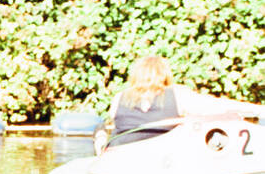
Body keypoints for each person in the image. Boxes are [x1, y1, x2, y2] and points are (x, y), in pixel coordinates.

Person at [106, 55, 265, 149]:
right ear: (164, 74)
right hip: (159, 159)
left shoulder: (119, 98)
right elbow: (217, 106)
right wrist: (257, 109)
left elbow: (110, 127)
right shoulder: (177, 94)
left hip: (121, 158)